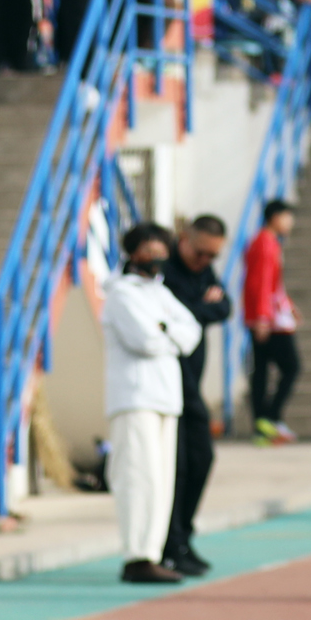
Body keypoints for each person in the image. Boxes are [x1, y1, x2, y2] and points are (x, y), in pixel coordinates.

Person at [102, 224, 202, 586]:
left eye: (161, 249)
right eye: (148, 249)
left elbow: (192, 331)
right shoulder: (121, 294)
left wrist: (165, 330)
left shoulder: (160, 293)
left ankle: (153, 553)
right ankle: (136, 555)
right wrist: (169, 333)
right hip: (134, 398)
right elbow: (144, 340)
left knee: (161, 480)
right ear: (132, 253)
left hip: (165, 398)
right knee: (137, 477)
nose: (156, 256)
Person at [158, 216, 234, 577]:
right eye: (200, 253)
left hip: (193, 383)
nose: (204, 261)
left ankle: (183, 537)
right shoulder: (165, 271)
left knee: (202, 459)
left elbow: (224, 307)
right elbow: (171, 319)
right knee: (178, 467)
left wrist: (194, 310)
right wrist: (199, 309)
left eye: (212, 257)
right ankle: (170, 544)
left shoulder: (204, 271)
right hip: (169, 383)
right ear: (184, 239)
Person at [243, 199, 302, 444]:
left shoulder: (266, 242)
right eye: (288, 217)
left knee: (261, 370)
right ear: (275, 217)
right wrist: (262, 317)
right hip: (269, 320)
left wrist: (288, 304)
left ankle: (262, 423)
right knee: (291, 367)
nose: (291, 222)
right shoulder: (266, 243)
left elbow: (270, 283)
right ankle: (270, 417)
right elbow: (260, 283)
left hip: (266, 315)